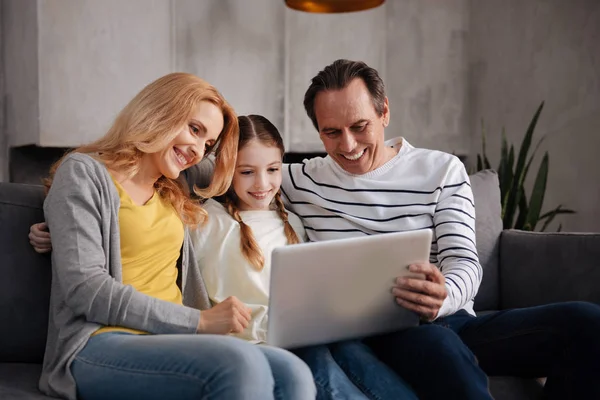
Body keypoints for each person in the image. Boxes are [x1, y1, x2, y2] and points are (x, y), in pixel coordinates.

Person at [277, 59, 600, 399]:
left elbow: (463, 261)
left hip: (448, 319)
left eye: (360, 126)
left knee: (586, 323)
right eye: (331, 132)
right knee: (436, 344)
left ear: (384, 112)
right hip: (364, 335)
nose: (348, 145)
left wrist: (443, 295)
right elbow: (228, 163)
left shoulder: (441, 170)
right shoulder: (299, 178)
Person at [38, 72, 315, 400]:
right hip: (99, 340)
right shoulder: (84, 173)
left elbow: (253, 167)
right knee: (238, 362)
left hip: (173, 338)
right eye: (194, 129)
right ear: (161, 111)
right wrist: (198, 321)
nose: (197, 151)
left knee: (292, 371)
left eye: (208, 144)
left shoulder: (179, 182)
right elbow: (87, 291)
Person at [193, 114, 417, 400]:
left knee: (357, 355)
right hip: (256, 342)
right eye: (247, 172)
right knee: (321, 365)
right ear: (227, 169)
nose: (263, 183)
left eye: (273, 169)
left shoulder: (292, 221)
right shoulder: (207, 221)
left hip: (305, 331)